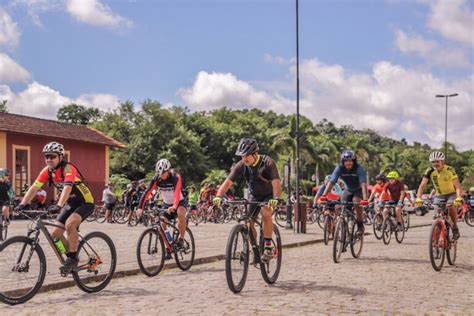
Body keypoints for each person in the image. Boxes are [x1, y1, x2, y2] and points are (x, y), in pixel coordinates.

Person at [14, 142, 94, 273]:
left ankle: (72, 258)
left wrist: (58, 205)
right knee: (55, 235)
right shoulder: (47, 171)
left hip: (85, 202)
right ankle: (71, 256)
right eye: (46, 157)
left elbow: (68, 187)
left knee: (70, 224)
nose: (49, 159)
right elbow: (34, 187)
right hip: (70, 202)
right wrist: (22, 204)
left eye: (52, 156)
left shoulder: (68, 168)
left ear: (60, 157)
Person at [213, 138, 281, 262]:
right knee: (248, 223)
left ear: (255, 154)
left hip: (269, 196)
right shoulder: (241, 165)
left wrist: (276, 198)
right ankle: (253, 247)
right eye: (242, 156)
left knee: (266, 212)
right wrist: (218, 196)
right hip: (254, 196)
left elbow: (276, 182)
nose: (244, 159)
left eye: (246, 156)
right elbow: (227, 182)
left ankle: (268, 246)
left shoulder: (267, 162)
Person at [137, 159, 188, 249]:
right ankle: (169, 246)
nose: (162, 174)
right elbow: (147, 192)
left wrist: (175, 206)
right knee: (161, 224)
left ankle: (181, 239)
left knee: (180, 213)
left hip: (179, 201)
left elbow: (176, 192)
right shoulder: (157, 179)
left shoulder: (175, 176)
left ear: (168, 170)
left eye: (164, 172)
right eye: (160, 172)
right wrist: (140, 207)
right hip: (167, 203)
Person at [416, 151, 463, 240]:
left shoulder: (450, 170)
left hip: (451, 194)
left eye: (437, 161)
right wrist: (418, 198)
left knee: (450, 206)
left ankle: (454, 227)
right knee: (437, 218)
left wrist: (459, 197)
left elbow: (458, 186)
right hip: (439, 196)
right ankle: (435, 245)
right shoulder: (429, 171)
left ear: (442, 162)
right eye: (433, 162)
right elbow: (422, 186)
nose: (435, 164)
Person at [320, 150, 368, 234]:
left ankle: (360, 224)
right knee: (341, 206)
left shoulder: (359, 169)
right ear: (343, 162)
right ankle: (345, 225)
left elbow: (363, 184)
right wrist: (324, 195)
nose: (348, 163)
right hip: (348, 190)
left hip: (358, 189)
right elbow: (332, 182)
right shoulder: (339, 168)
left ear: (353, 161)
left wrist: (365, 199)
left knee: (356, 201)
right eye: (346, 161)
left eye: (350, 161)